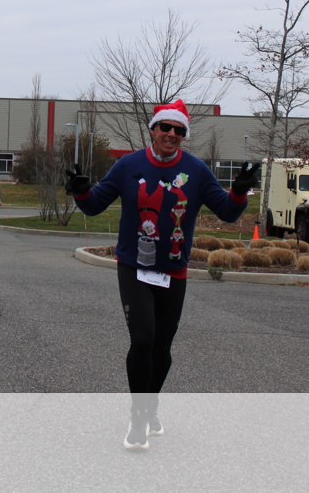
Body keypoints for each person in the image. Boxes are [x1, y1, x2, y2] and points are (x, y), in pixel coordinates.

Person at [65, 99, 257, 450]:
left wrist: (239, 191)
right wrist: (81, 190)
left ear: (184, 135)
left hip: (173, 272)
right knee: (142, 339)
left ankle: (149, 406)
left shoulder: (196, 170)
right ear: (153, 130)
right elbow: (94, 205)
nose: (171, 134)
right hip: (134, 267)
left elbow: (227, 213)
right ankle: (138, 418)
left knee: (162, 347)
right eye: (165, 127)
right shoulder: (128, 165)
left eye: (178, 130)